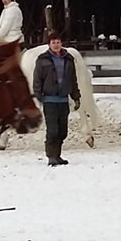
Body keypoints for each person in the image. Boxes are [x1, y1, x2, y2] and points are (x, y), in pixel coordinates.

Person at [33, 29, 80, 165]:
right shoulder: (42, 60)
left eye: (58, 42)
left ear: (61, 44)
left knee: (62, 131)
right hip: (49, 99)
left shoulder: (68, 59)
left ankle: (58, 155)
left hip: (63, 100)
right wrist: (38, 95)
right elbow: (37, 79)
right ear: (49, 44)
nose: (56, 45)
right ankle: (51, 156)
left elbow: (73, 79)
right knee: (52, 130)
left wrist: (76, 96)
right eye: (53, 42)